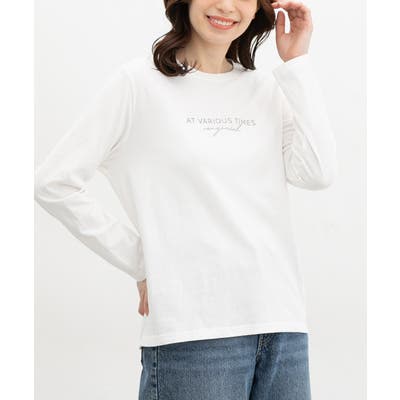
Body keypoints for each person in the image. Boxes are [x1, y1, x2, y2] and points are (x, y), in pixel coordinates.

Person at [34, 0, 337, 398]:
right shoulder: (138, 84)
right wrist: (144, 260)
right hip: (194, 332)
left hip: (282, 325)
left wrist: (296, 63)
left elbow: (317, 172)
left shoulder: (265, 90)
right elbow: (53, 183)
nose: (226, 5)